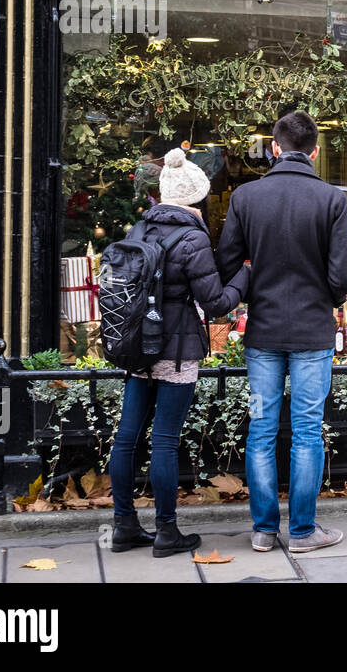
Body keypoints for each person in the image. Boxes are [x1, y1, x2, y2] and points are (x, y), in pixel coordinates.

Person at [218, 110, 347, 553]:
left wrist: (249, 285)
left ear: (275, 148)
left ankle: (263, 531)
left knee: (261, 428)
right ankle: (301, 532)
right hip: (312, 333)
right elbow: (343, 274)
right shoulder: (332, 199)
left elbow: (226, 263)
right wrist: (330, 301)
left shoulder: (245, 197)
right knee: (307, 430)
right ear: (315, 151)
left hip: (262, 332)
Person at [110, 147, 250, 558]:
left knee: (126, 437)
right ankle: (167, 532)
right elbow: (216, 303)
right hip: (175, 349)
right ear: (196, 198)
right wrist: (244, 274)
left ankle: (123, 526)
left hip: (136, 346)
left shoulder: (139, 230)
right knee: (165, 441)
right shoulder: (192, 237)